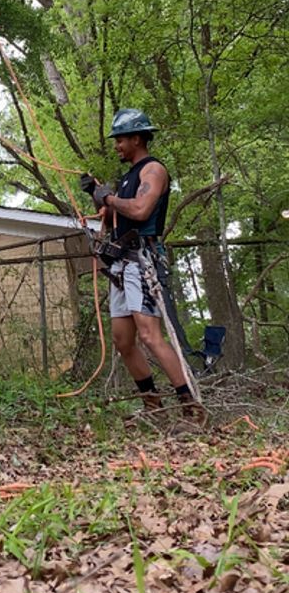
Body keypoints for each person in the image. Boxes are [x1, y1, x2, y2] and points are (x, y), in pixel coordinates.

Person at [86, 108, 204, 422]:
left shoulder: (153, 170)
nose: (116, 146)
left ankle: (191, 405)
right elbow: (115, 217)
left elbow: (140, 210)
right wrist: (98, 198)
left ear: (137, 138)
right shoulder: (127, 177)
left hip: (143, 260)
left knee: (150, 336)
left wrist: (109, 198)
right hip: (122, 264)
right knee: (123, 340)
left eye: (120, 140)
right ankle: (154, 405)